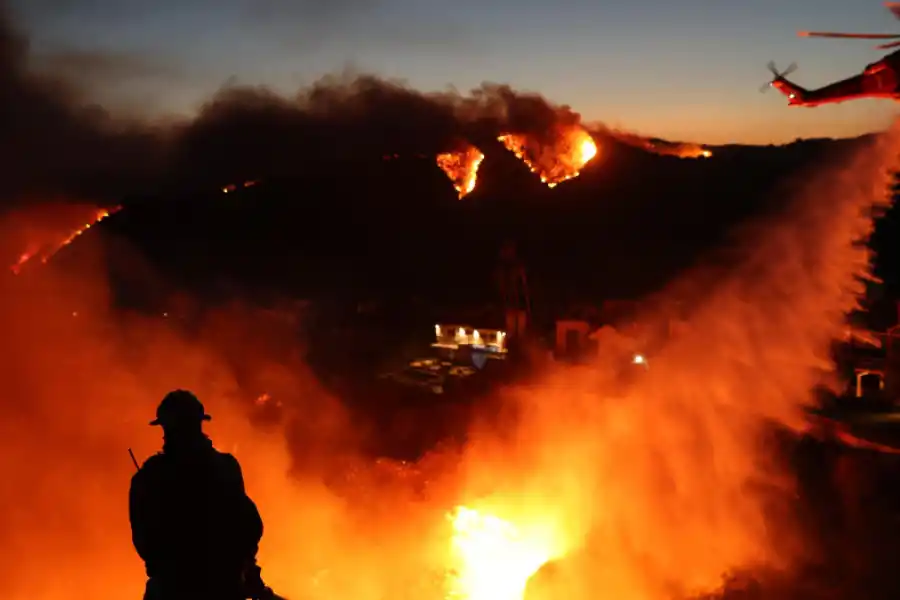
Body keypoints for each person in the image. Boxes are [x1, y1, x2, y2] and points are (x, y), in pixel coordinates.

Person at [129, 390, 274, 600]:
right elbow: (248, 527)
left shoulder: (150, 476)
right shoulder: (225, 467)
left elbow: (145, 542)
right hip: (222, 588)